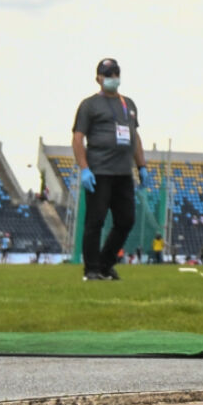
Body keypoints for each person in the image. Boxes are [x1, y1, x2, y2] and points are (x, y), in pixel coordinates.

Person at [72, 57, 148, 282]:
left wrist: (142, 166)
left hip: (123, 173)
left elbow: (135, 137)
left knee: (126, 220)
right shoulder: (89, 105)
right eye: (107, 75)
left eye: (115, 74)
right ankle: (92, 268)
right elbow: (78, 139)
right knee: (95, 221)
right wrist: (84, 169)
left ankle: (106, 263)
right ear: (98, 78)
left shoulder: (129, 104)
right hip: (100, 171)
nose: (112, 78)